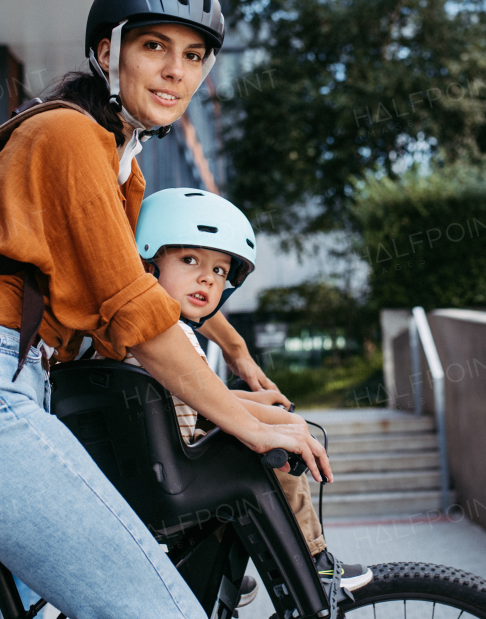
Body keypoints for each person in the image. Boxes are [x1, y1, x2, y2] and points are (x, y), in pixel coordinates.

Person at [0, 0, 330, 619]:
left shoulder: (120, 172)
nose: (174, 71)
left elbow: (111, 323)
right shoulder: (68, 135)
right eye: (153, 46)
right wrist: (241, 416)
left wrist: (246, 400)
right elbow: (138, 313)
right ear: (108, 52)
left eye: (193, 57)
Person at [127, 187, 374, 599]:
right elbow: (191, 401)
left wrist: (259, 401)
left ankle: (215, 569)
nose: (208, 277)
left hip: (168, 459)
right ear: (148, 265)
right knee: (280, 450)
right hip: (175, 470)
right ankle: (312, 560)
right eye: (190, 260)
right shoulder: (159, 335)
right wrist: (270, 420)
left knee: (279, 422)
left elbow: (188, 398)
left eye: (221, 271)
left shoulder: (171, 333)